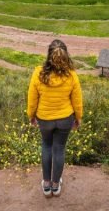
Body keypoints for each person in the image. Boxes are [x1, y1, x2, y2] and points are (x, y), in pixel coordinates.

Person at [27, 39, 83, 198]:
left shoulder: (38, 73)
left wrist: (31, 116)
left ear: (49, 55)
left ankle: (46, 185)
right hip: (65, 118)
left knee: (46, 146)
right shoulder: (72, 75)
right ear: (66, 55)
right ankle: (56, 185)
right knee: (59, 149)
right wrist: (78, 118)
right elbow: (77, 102)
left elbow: (32, 100)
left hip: (44, 118)